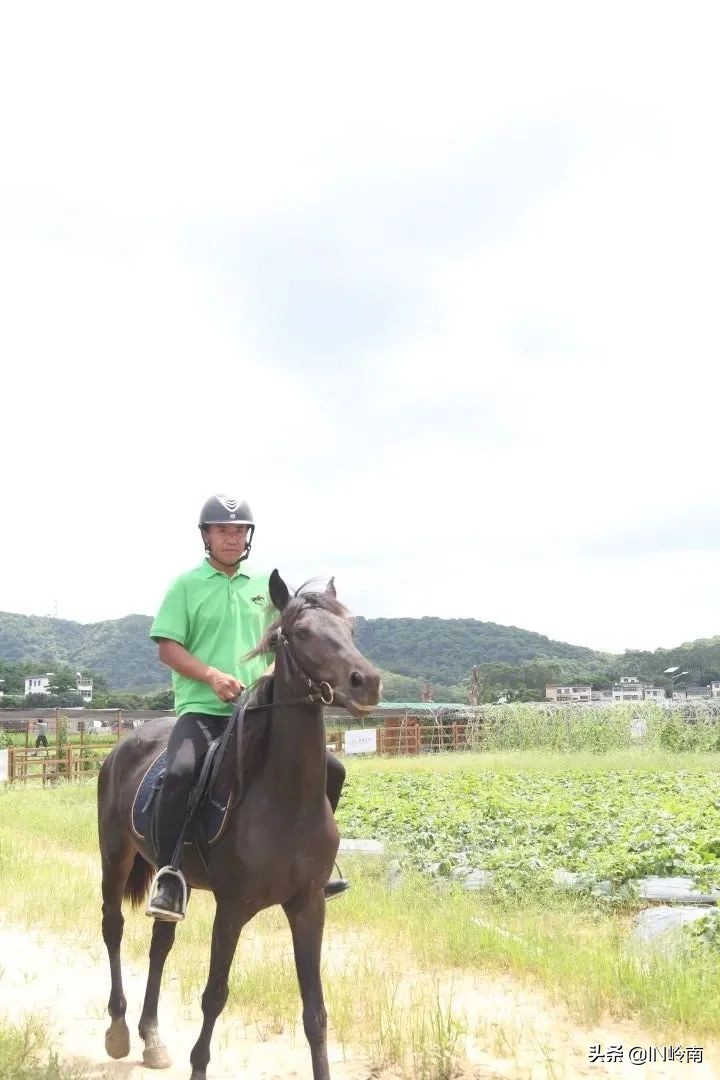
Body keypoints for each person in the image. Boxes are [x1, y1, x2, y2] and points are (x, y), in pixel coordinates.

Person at [146, 493, 349, 922]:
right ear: (206, 536)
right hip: (203, 710)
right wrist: (212, 677)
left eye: (239, 531)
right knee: (180, 773)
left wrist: (273, 673)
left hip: (258, 712)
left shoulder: (264, 586)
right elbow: (167, 648)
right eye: (223, 530)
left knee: (332, 769)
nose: (232, 538)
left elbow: (287, 642)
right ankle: (169, 875)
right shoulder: (186, 586)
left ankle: (318, 866)